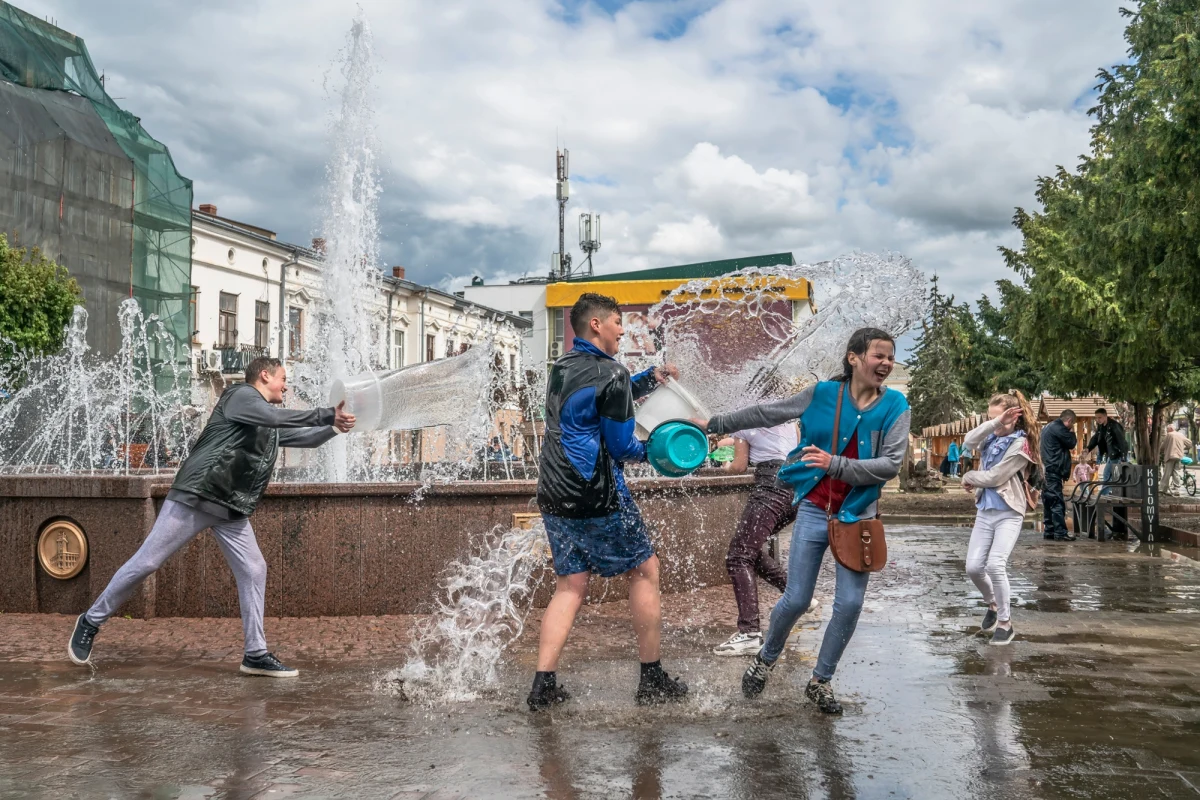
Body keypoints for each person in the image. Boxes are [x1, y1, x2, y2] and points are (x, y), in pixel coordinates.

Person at [68, 357, 356, 677]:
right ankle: (91, 620)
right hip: (199, 494)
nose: (286, 385)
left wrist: (333, 427)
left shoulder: (268, 420)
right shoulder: (240, 396)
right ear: (264, 376)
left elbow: (305, 438)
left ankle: (255, 653)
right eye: (282, 379)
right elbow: (270, 416)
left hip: (231, 508)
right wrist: (325, 413)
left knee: (254, 569)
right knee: (147, 562)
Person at [696, 327, 910, 714]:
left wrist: (835, 464)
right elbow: (767, 412)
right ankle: (765, 659)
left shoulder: (896, 406)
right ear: (854, 358)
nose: (886, 364)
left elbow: (890, 464)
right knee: (796, 598)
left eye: (890, 357)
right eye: (879, 355)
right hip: (813, 507)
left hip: (857, 517)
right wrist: (715, 423)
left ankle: (821, 682)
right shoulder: (822, 395)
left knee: (849, 604)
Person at [528, 293, 687, 710]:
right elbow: (620, 446)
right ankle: (651, 678)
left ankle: (542, 686)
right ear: (596, 325)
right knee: (645, 570)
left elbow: (594, 404)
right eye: (618, 322)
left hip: (554, 493)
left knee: (571, 583)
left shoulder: (562, 367)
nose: (623, 329)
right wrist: (656, 449)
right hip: (597, 495)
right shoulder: (612, 373)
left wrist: (648, 380)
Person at [712, 420, 801, 656]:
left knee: (738, 557)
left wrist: (726, 466)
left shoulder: (746, 419)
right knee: (748, 551)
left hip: (771, 486)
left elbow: (739, 465)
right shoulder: (790, 421)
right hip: (795, 490)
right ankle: (798, 594)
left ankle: (749, 633)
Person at [961, 391, 1040, 646]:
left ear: (1015, 417)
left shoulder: (1021, 443)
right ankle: (992, 604)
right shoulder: (991, 436)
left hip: (1009, 513)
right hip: (985, 511)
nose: (995, 423)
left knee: (995, 564)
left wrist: (970, 476)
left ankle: (1006, 623)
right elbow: (968, 442)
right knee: (973, 567)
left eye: (1001, 418)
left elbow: (996, 476)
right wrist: (995, 423)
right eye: (991, 418)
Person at [1039, 409, 1077, 542]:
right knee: (1056, 501)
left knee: (1048, 501)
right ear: (1069, 421)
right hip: (1054, 469)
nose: (1071, 429)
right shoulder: (1060, 429)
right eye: (1072, 425)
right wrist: (1072, 433)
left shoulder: (1048, 427)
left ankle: (1049, 530)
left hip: (1047, 469)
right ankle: (1060, 532)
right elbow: (1072, 443)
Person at [1087, 408, 1129, 493]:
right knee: (1108, 475)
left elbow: (1121, 441)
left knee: (1109, 475)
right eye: (1096, 418)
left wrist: (1123, 457)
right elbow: (1096, 438)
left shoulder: (1114, 426)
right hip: (1111, 455)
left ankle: (1104, 495)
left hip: (1117, 455)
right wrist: (1088, 448)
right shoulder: (1101, 427)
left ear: (1105, 416)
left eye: (1100, 417)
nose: (1098, 420)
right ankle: (1106, 495)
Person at [1160, 423, 1195, 496]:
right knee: (1176, 472)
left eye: (1168, 429)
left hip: (1170, 456)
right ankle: (1177, 490)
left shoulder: (1169, 435)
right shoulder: (1181, 435)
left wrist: (1160, 450)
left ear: (1171, 429)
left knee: (1167, 473)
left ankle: (1162, 489)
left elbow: (1163, 446)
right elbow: (1189, 444)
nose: (1167, 431)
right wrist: (1183, 448)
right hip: (1179, 456)